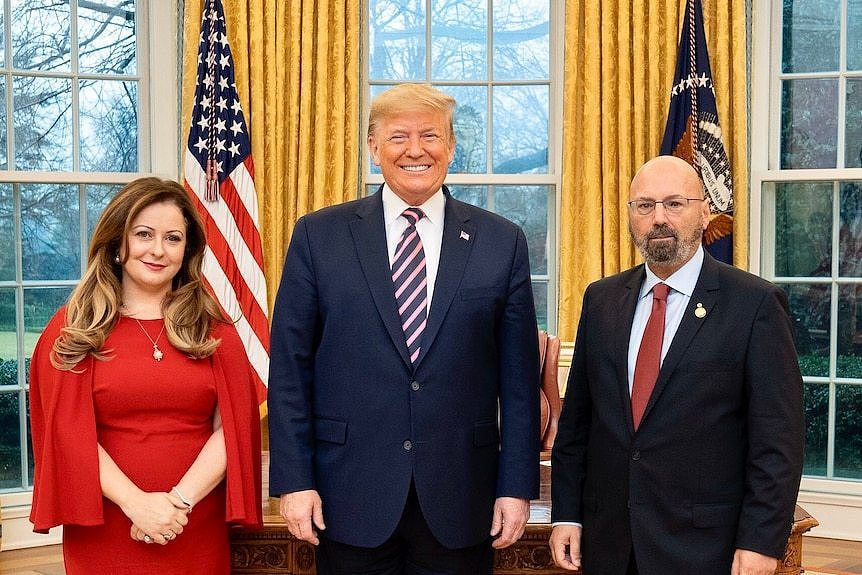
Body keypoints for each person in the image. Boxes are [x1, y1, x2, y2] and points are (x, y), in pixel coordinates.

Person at [268, 83, 541, 575]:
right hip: (347, 497)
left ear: (452, 147)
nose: (415, 149)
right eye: (398, 137)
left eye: (430, 135)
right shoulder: (318, 235)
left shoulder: (501, 242)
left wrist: (516, 486)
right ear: (374, 148)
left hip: (462, 499)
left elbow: (519, 384)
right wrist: (295, 480)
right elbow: (290, 368)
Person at [549, 155, 804, 575]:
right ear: (631, 215)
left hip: (706, 548)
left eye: (674, 203)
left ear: (705, 212)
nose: (659, 218)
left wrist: (760, 540)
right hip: (609, 542)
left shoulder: (754, 304)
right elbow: (577, 424)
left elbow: (778, 440)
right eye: (645, 205)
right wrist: (568, 514)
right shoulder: (602, 300)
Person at [29, 177, 262, 574]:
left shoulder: (215, 330)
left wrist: (176, 504)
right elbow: (66, 432)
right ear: (118, 243)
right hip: (106, 526)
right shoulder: (73, 330)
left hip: (191, 524)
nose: (158, 250)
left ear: (187, 250)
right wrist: (136, 503)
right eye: (143, 234)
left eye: (173, 238)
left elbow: (234, 427)